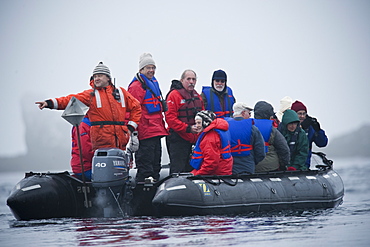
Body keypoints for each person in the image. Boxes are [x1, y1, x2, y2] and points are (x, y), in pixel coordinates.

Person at [35, 62, 142, 152]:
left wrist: (130, 128)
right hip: (102, 142)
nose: (97, 78)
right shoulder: (91, 95)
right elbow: (70, 100)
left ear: (108, 78)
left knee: (119, 169)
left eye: (99, 75)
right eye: (95, 76)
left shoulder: (121, 93)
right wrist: (49, 103)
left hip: (121, 141)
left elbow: (136, 107)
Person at [127, 53, 168, 182]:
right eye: (148, 68)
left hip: (156, 131)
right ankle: (142, 197)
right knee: (145, 168)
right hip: (145, 133)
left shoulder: (152, 83)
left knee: (156, 165)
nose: (151, 70)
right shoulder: (135, 87)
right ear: (141, 70)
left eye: (153, 68)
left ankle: (153, 194)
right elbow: (131, 110)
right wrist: (133, 133)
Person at [165, 69, 204, 174]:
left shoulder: (197, 96)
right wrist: (188, 128)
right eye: (188, 79)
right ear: (182, 80)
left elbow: (203, 114)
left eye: (194, 79)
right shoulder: (174, 95)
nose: (191, 82)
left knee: (191, 169)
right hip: (178, 138)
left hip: (194, 139)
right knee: (178, 170)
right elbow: (170, 119)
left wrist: (201, 128)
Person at [225, 102, 265, 174]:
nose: (250, 116)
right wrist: (252, 161)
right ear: (243, 113)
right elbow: (260, 151)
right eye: (249, 113)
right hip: (247, 167)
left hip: (229, 167)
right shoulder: (253, 129)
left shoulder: (225, 128)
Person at [190, 110, 233, 175]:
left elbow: (211, 162)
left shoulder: (210, 138)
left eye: (199, 123)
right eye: (196, 123)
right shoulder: (220, 131)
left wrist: (197, 174)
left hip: (216, 173)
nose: (197, 126)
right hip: (224, 169)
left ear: (206, 122)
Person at [253, 101, 290, 172]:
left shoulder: (249, 128)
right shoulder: (273, 130)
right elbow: (284, 149)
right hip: (271, 166)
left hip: (253, 165)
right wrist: (283, 164)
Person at [291, 100, 328, 168]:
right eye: (299, 113)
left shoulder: (310, 127)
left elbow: (322, 143)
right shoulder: (288, 126)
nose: (302, 116)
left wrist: (318, 130)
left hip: (305, 165)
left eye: (304, 113)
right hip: (290, 165)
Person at [71, 116, 94, 181]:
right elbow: (86, 150)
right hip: (85, 167)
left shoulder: (89, 123)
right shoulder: (83, 124)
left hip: (90, 166)